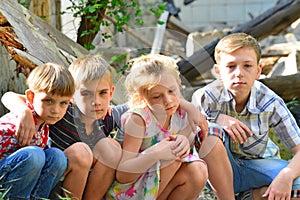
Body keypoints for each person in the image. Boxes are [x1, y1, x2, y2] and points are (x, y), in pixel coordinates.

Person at [1, 54, 207, 199]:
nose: (96, 102)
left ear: (111, 92)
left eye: (102, 94)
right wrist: (24, 112)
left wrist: (188, 106)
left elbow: (148, 97)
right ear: (72, 96)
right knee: (83, 151)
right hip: (54, 179)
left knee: (111, 147)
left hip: (87, 182)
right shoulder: (61, 111)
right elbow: (10, 96)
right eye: (86, 94)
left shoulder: (111, 115)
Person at [192, 32, 300, 200]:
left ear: (258, 70)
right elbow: (190, 138)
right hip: (214, 173)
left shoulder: (270, 102)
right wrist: (217, 119)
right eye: (231, 66)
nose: (239, 73)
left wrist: (286, 176)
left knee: (295, 188)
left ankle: (250, 196)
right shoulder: (205, 97)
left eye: (247, 66)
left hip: (257, 166)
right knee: (210, 131)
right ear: (218, 71)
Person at [105, 54, 208, 200]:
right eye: (156, 97)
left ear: (179, 84)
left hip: (157, 184)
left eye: (171, 91)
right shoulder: (138, 120)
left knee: (198, 170)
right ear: (141, 98)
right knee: (172, 153)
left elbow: (192, 136)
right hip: (131, 189)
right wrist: (156, 153)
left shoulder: (181, 113)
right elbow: (123, 175)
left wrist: (184, 139)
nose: (168, 101)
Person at [0, 63, 75, 199]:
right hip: (4, 176)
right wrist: (24, 111)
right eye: (48, 101)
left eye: (63, 103)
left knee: (57, 157)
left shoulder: (45, 122)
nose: (56, 110)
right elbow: (8, 96)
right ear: (30, 97)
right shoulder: (20, 119)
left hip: (20, 178)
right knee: (34, 155)